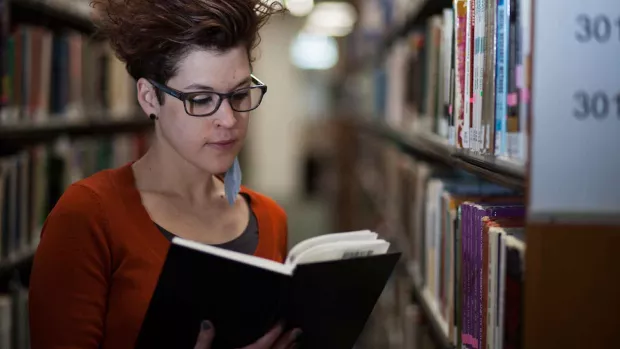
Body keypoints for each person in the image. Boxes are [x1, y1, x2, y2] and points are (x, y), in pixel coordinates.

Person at [28, 0, 301, 348]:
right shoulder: (88, 216)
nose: (229, 120)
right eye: (201, 99)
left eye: (239, 94)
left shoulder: (270, 218)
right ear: (149, 98)